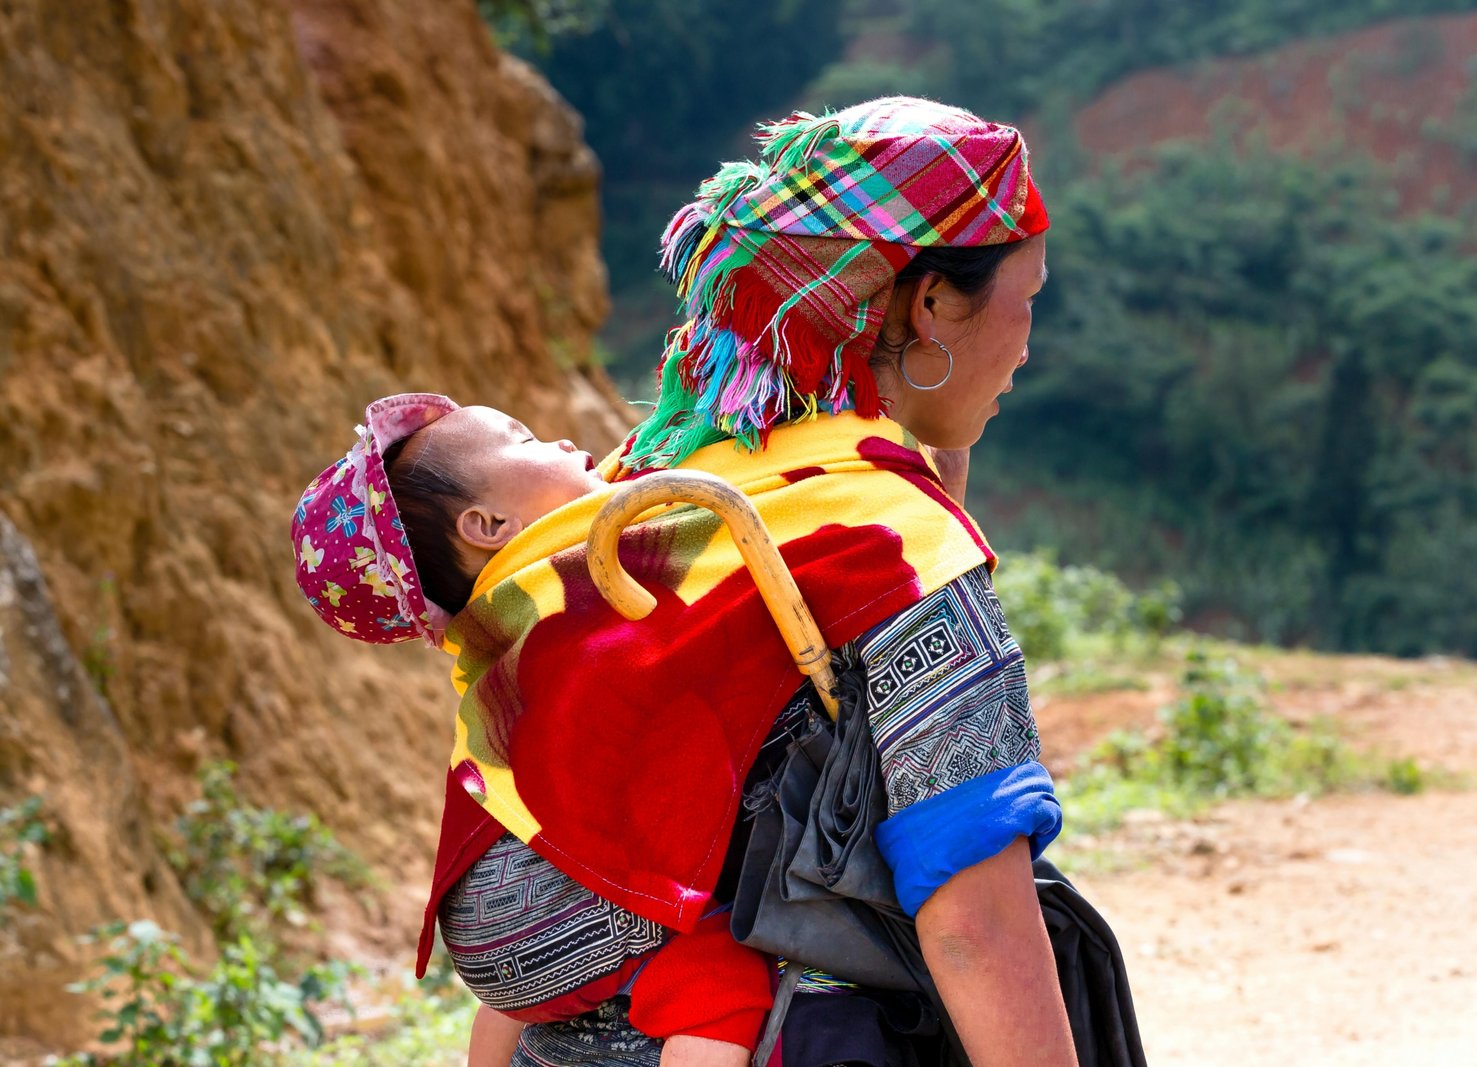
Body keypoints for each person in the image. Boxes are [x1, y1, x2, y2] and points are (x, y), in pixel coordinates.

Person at [407, 96, 1084, 1066]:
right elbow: (972, 920)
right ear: (930, 303)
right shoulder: (882, 546)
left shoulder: (655, 478)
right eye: (1028, 299)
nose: (1026, 342)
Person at [291, 394, 772, 1067]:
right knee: (719, 976)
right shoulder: (596, 570)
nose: (561, 441)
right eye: (526, 440)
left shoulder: (502, 618)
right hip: (557, 908)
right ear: (489, 523)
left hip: (483, 921)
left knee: (522, 976)